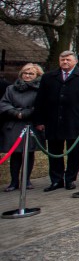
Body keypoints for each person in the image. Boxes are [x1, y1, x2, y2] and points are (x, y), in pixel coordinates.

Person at [33, 50, 79, 192]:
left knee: (73, 151)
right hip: (53, 121)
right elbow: (40, 100)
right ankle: (56, 180)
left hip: (75, 121)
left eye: (68, 59)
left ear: (75, 61)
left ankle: (70, 179)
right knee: (54, 151)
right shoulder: (48, 77)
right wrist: (39, 120)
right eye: (62, 60)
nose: (65, 62)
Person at [1, 63, 43, 191]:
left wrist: (26, 113)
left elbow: (41, 106)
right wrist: (16, 113)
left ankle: (26, 180)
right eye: (25, 73)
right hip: (14, 124)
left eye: (31, 74)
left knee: (28, 153)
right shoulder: (11, 89)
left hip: (30, 124)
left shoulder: (40, 90)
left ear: (37, 75)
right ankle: (14, 182)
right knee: (15, 154)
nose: (27, 76)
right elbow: (4, 103)